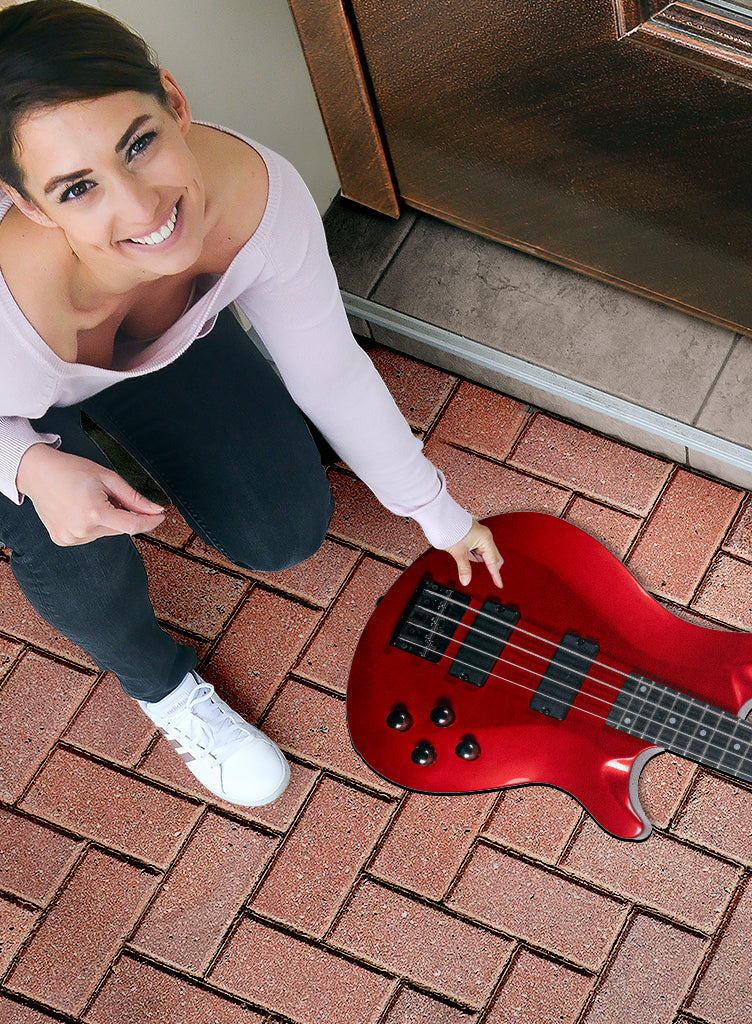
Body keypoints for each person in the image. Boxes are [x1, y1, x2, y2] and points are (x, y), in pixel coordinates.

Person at [0, 0, 503, 808]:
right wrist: (27, 464)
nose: (140, 209)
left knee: (283, 530)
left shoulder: (259, 198)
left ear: (175, 99)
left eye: (140, 143)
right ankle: (161, 687)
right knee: (83, 566)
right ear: (27, 204)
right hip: (12, 408)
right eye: (77, 187)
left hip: (155, 353)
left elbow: (330, 370)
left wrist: (435, 512)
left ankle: (131, 415)